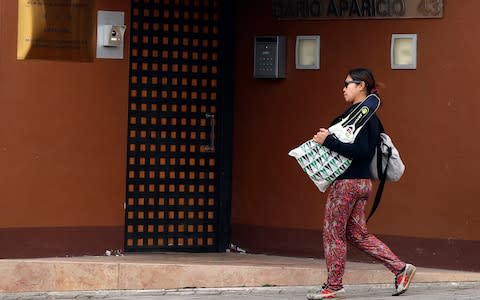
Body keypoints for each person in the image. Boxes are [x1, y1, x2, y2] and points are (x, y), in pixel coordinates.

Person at [306, 68, 416, 299]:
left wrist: (329, 140)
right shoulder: (365, 115)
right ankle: (400, 269)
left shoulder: (364, 116)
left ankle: (333, 286)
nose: (343, 88)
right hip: (361, 183)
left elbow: (361, 151)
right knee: (357, 234)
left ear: (361, 85)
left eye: (348, 83)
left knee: (332, 233)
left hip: (347, 184)